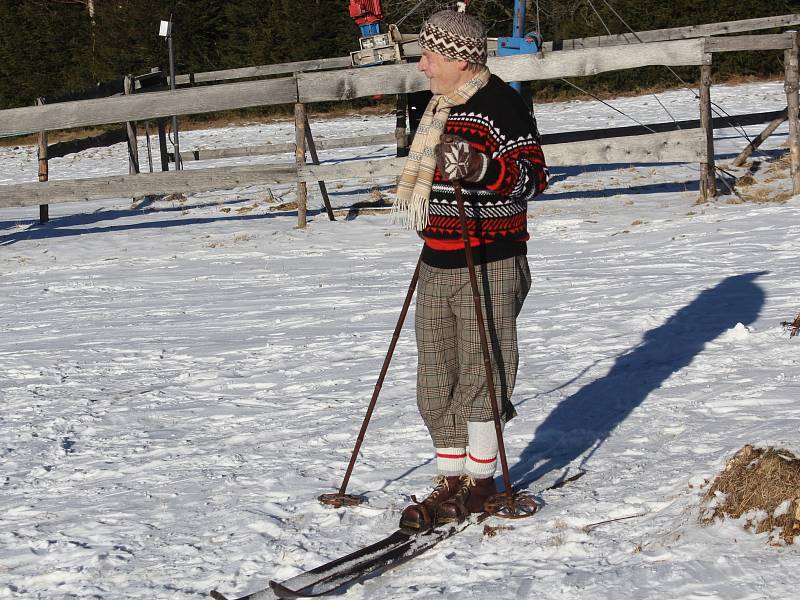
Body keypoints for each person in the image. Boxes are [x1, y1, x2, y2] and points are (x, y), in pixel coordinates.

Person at [391, 5, 549, 531]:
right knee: (435, 376)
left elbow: (534, 178)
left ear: (458, 58)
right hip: (438, 255)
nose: (422, 66)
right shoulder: (436, 107)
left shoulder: (500, 103)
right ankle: (450, 480)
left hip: (491, 257)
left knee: (483, 372)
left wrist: (482, 167)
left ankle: (480, 484)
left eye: (429, 54)